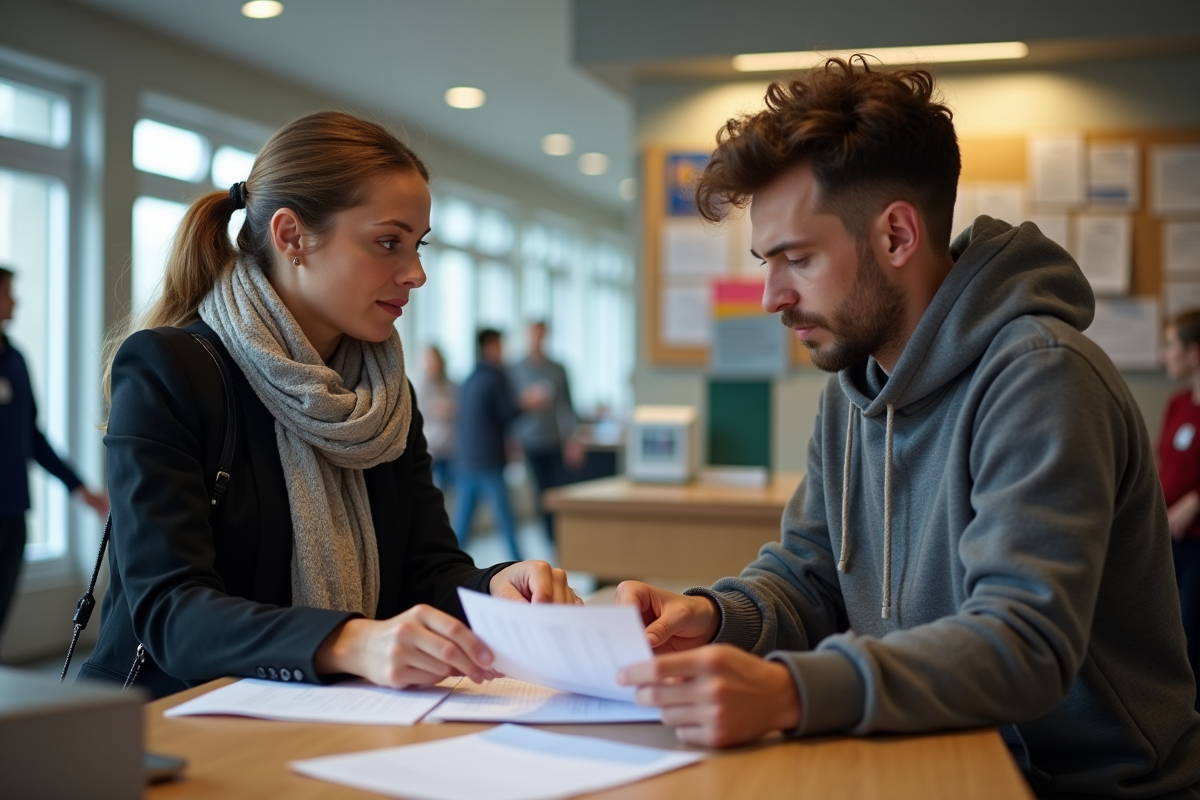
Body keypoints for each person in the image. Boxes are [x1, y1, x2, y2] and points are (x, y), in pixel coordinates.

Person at [615, 58, 1200, 798]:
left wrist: (791, 691)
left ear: (896, 235)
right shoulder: (852, 390)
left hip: (1086, 786)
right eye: (767, 262)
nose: (771, 297)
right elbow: (809, 577)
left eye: (798, 258)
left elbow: (1024, 645)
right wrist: (710, 615)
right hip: (932, 753)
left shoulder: (1041, 376)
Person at [79, 111, 578, 699]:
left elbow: (427, 573)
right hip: (179, 718)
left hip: (329, 717)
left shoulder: (385, 395)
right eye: (388, 243)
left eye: (418, 246)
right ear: (292, 236)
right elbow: (170, 611)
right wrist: (350, 641)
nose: (416, 274)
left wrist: (497, 588)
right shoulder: (170, 369)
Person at [0, 266, 108, 643]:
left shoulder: (16, 360)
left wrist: (79, 488)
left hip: (13, 513)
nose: (15, 302)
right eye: (7, 293)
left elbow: (31, 436)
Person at [453, 329, 535, 561]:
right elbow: (506, 414)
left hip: (466, 460)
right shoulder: (495, 377)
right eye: (500, 346)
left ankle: (447, 566)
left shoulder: (468, 380)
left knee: (462, 525)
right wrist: (527, 404)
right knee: (506, 521)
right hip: (489, 459)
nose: (503, 351)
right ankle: (521, 567)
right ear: (489, 346)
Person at [1159, 308, 1200, 708]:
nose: (1164, 354)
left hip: (1197, 547)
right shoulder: (1177, 404)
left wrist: (1195, 502)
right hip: (1170, 543)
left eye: (1170, 345)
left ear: (1194, 353)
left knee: (1193, 640)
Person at [509, 320, 583, 541]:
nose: (537, 339)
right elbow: (508, 408)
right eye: (533, 334)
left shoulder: (558, 369)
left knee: (556, 491)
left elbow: (568, 406)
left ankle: (557, 536)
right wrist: (510, 439)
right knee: (539, 491)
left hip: (555, 439)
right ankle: (548, 536)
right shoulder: (515, 369)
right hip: (529, 440)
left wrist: (573, 439)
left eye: (541, 334)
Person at [415, 344, 456, 492]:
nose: (433, 363)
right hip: (430, 447)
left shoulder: (450, 384)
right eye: (429, 360)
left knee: (451, 490)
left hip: (450, 446)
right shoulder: (420, 385)